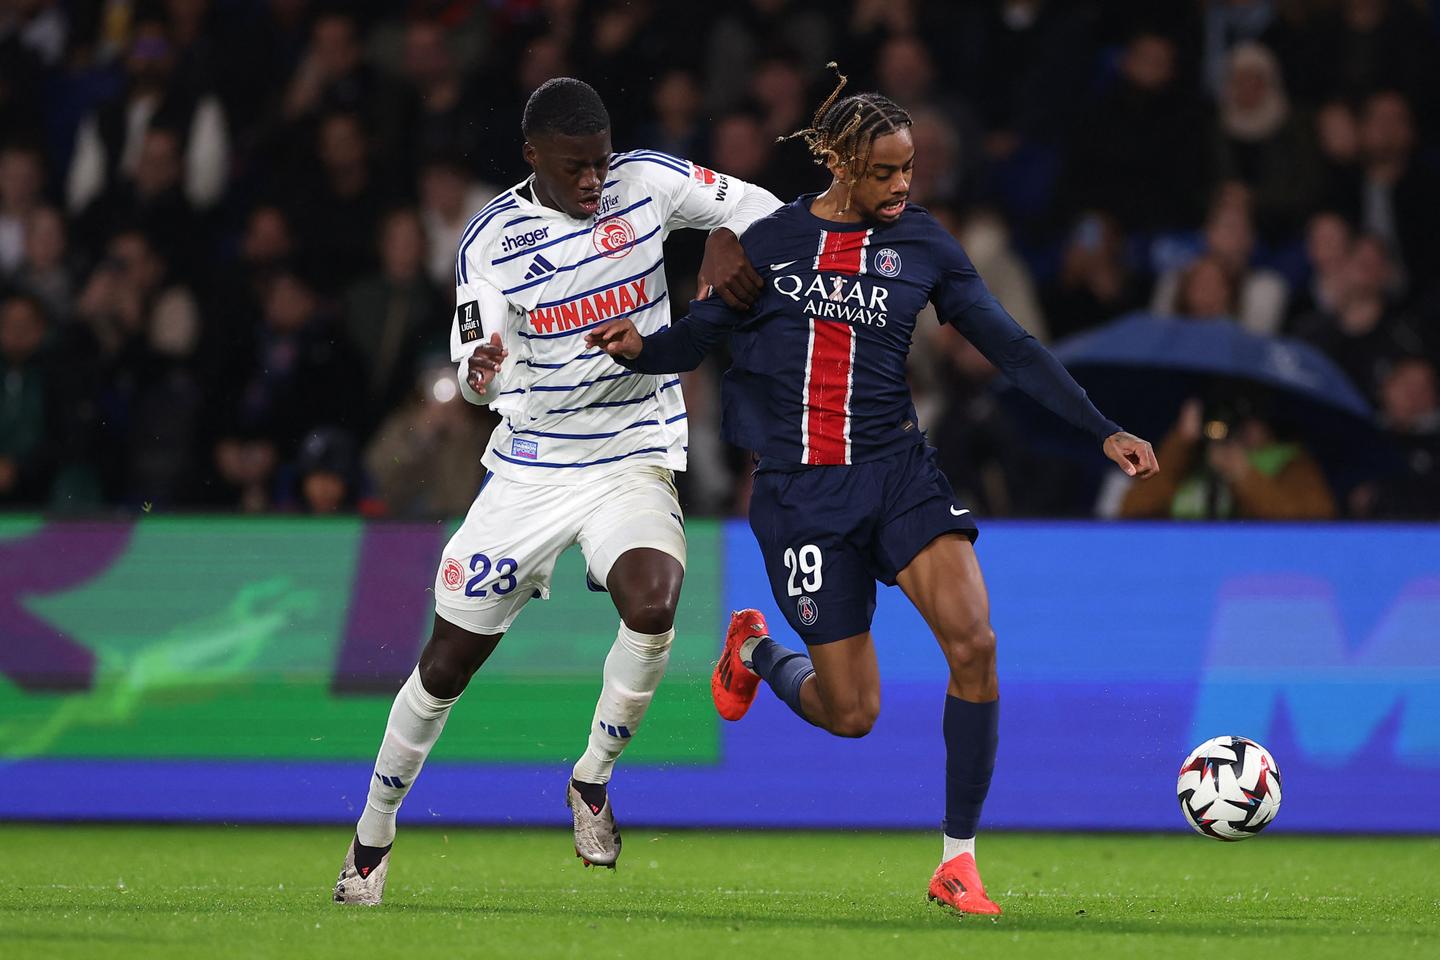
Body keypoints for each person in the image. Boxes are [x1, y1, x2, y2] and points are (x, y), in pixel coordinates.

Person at [587, 69, 1156, 917]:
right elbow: (699, 338)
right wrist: (639, 349)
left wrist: (1099, 425)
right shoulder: (773, 242)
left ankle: (957, 861)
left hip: (898, 475)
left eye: (909, 170)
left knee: (976, 645)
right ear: (844, 166)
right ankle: (755, 654)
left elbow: (1008, 343)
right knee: (851, 714)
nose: (902, 186)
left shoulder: (923, 245)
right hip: (800, 497)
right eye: (887, 172)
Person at [333, 77, 781, 905]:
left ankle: (591, 780)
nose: (592, 181)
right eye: (574, 167)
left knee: (654, 605)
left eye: (600, 163)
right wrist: (479, 371)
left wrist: (730, 239)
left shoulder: (646, 181)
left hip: (632, 453)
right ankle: (372, 835)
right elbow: (473, 366)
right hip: (533, 469)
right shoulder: (490, 241)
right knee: (446, 667)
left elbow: (765, 206)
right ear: (532, 156)